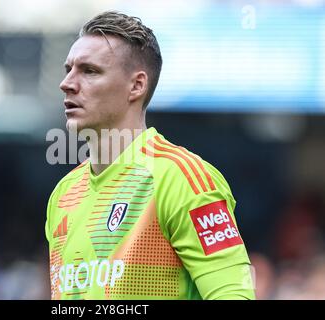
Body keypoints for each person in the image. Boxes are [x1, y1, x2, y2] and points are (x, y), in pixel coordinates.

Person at [45, 11, 255, 300]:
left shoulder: (181, 178)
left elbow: (233, 295)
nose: (67, 83)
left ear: (137, 86)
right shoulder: (64, 194)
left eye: (89, 71)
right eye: (68, 69)